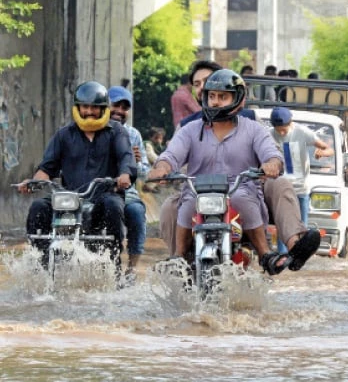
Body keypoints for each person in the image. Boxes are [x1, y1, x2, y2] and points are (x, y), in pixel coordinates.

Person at [157, 65, 320, 274]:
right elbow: (171, 155)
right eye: (209, 93)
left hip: (241, 188)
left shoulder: (252, 124)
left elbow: (271, 152)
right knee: (173, 206)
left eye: (222, 95)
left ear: (237, 98)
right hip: (197, 190)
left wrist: (271, 163)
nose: (215, 100)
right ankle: (178, 260)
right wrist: (162, 167)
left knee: (271, 187)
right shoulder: (189, 127)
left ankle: (275, 251)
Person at [17, 81, 136, 268]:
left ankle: (113, 261)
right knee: (38, 207)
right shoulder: (64, 135)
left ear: (103, 109)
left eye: (94, 108)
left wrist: (125, 175)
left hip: (104, 196)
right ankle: (40, 261)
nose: (89, 112)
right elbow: (46, 168)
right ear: (78, 107)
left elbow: (125, 157)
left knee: (113, 206)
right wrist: (33, 182)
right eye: (85, 106)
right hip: (69, 197)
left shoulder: (116, 132)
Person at [268, 107, 334, 254]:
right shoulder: (269, 135)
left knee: (302, 230)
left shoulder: (302, 132)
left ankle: (299, 259)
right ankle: (283, 258)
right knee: (283, 226)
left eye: (284, 130)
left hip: (301, 189)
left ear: (290, 123)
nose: (281, 133)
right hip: (282, 189)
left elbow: (329, 149)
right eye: (278, 130)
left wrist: (322, 153)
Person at [108, 86, 150, 280]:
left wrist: (137, 162)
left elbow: (144, 173)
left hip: (126, 191)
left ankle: (131, 269)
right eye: (115, 105)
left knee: (136, 212)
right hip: (94, 188)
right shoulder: (92, 129)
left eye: (124, 108)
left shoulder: (133, 135)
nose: (119, 111)